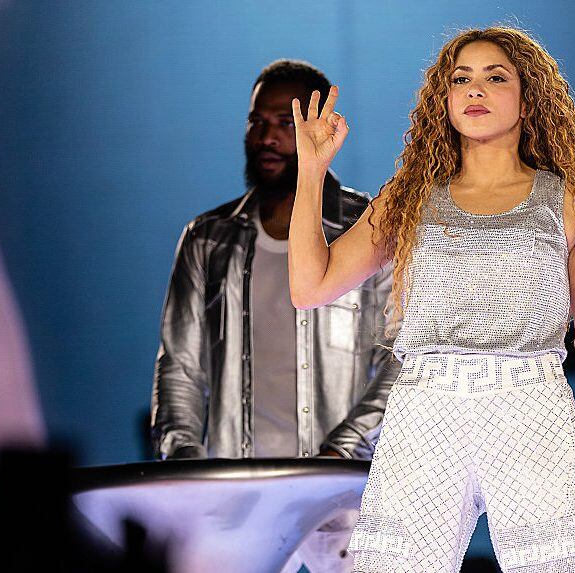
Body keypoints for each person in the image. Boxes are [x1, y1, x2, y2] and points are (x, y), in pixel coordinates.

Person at [287, 27, 575, 572]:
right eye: (461, 80)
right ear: (445, 99)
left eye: (495, 77)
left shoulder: (574, 202)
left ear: (528, 99)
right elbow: (310, 287)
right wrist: (312, 170)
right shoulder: (409, 199)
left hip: (531, 408)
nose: (475, 90)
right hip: (426, 408)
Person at [149, 59, 400, 573]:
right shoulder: (209, 238)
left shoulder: (370, 228)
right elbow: (179, 367)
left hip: (346, 493)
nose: (267, 137)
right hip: (236, 496)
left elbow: (406, 360)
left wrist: (343, 453)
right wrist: (186, 469)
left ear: (323, 129)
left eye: (286, 122)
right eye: (256, 122)